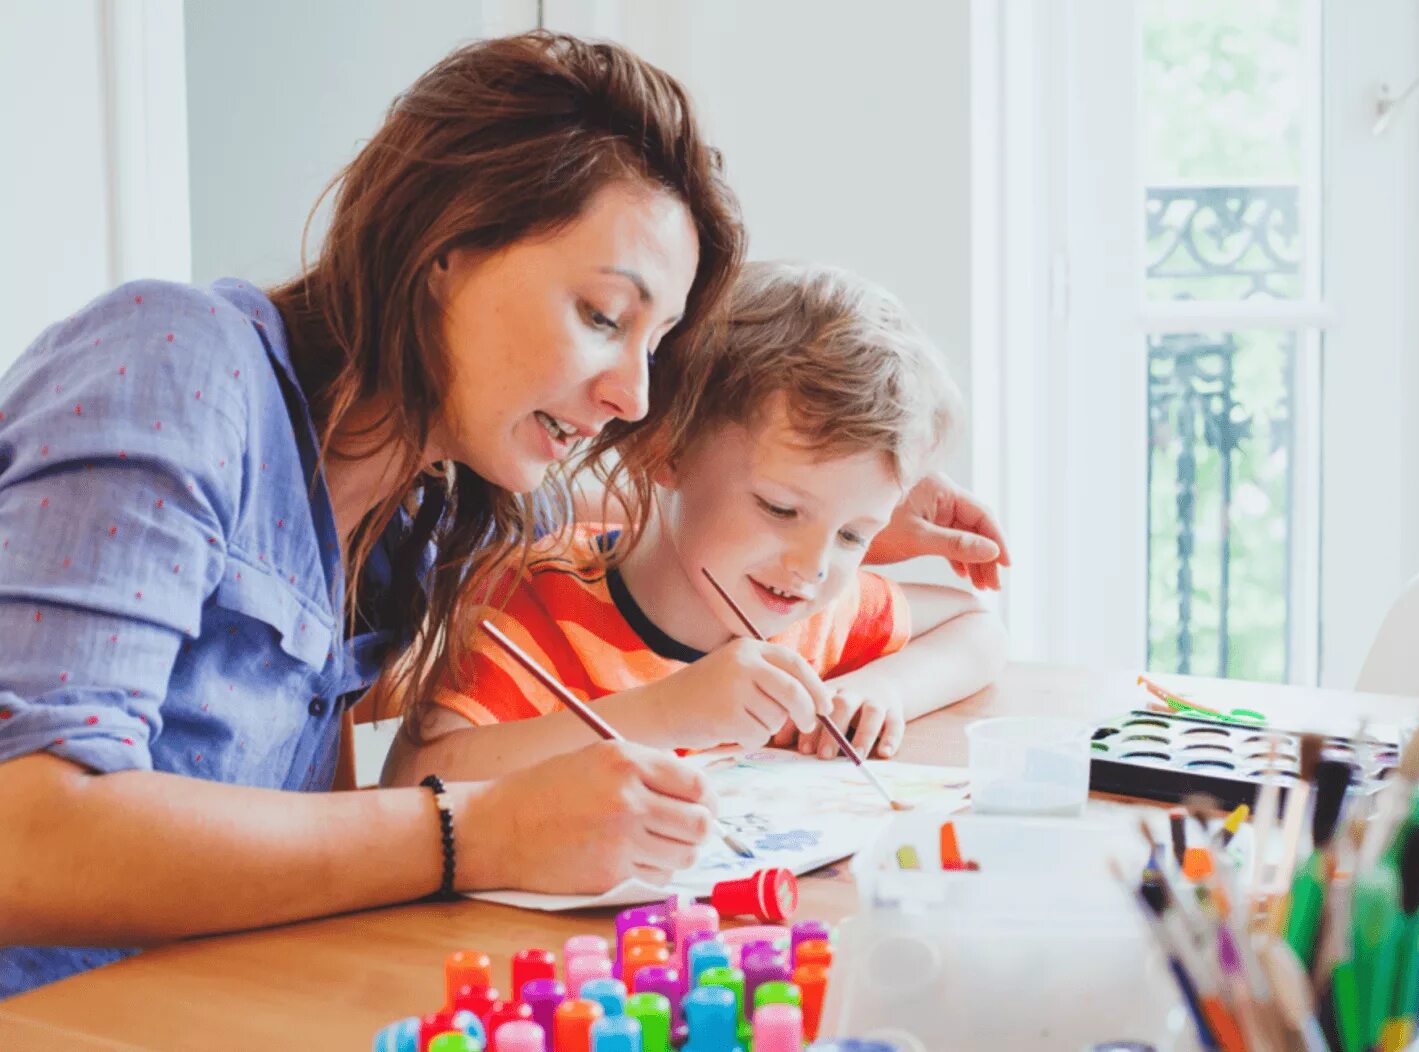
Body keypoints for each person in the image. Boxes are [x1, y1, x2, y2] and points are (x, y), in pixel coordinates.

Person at [0, 32, 1006, 998]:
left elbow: (640, 483)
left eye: (653, 345)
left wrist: (832, 509)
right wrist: (475, 828)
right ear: (446, 244)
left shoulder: (426, 500)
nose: (634, 394)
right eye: (603, 315)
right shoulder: (176, 363)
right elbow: (28, 834)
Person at [398, 262, 1006, 778]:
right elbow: (414, 782)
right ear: (666, 450)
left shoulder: (807, 616)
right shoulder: (539, 603)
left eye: (853, 535)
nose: (813, 567)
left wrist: (885, 691)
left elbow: (977, 626)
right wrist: (665, 714)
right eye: (780, 508)